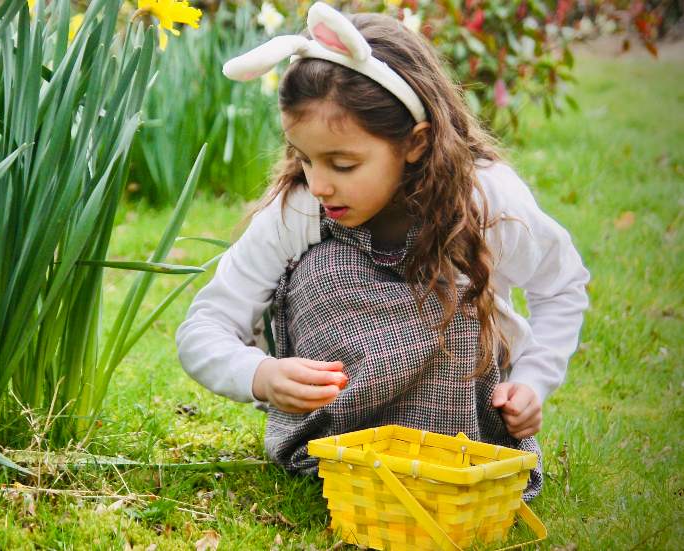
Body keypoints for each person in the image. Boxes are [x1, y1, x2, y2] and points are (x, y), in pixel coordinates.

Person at [175, 3, 590, 500]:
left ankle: (438, 452)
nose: (319, 183)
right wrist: (260, 375)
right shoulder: (302, 210)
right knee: (327, 269)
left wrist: (533, 380)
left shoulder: (484, 200)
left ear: (415, 143)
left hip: (462, 438)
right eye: (305, 158)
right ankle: (332, 445)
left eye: (343, 164)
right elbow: (205, 325)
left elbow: (560, 285)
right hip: (332, 446)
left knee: (448, 287)